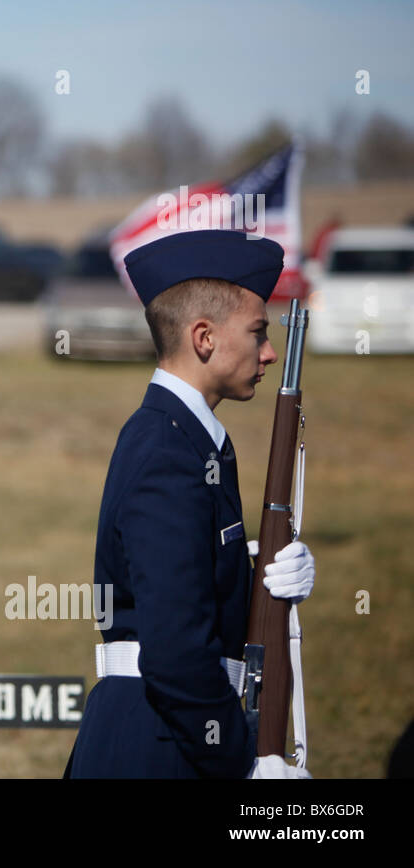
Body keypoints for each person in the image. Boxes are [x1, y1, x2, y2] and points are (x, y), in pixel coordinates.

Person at [65, 230, 316, 779]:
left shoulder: (187, 437)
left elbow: (193, 592)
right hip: (159, 744)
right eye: (257, 332)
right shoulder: (168, 451)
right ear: (204, 338)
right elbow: (175, 650)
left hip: (172, 735)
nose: (269, 352)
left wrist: (263, 578)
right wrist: (240, 764)